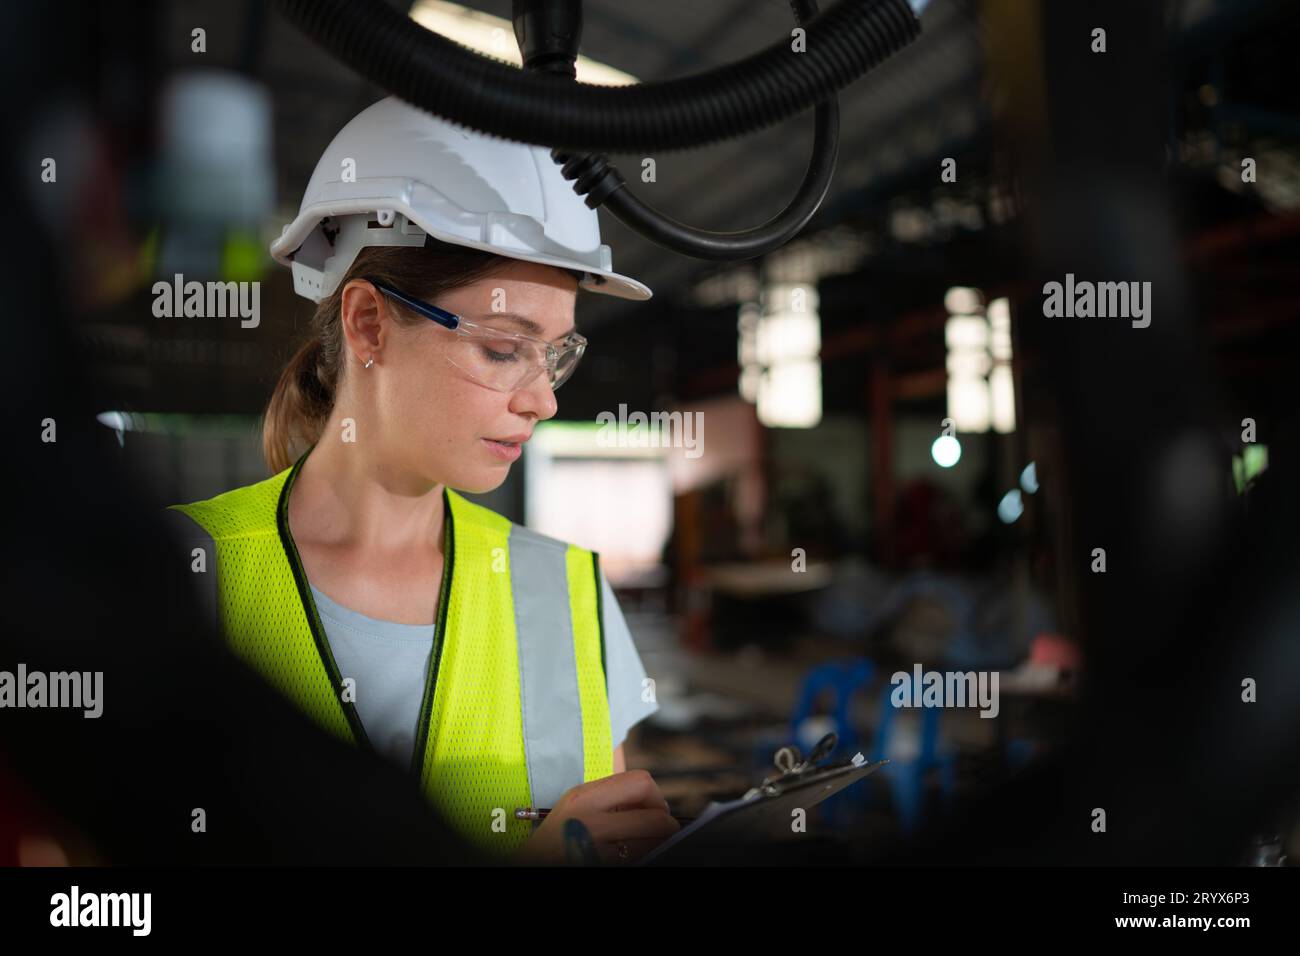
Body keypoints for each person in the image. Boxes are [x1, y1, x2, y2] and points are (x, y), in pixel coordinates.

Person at [164, 97, 679, 865]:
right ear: (368, 323)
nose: (544, 399)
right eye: (505, 348)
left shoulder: (566, 593)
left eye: (558, 354)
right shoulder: (178, 574)